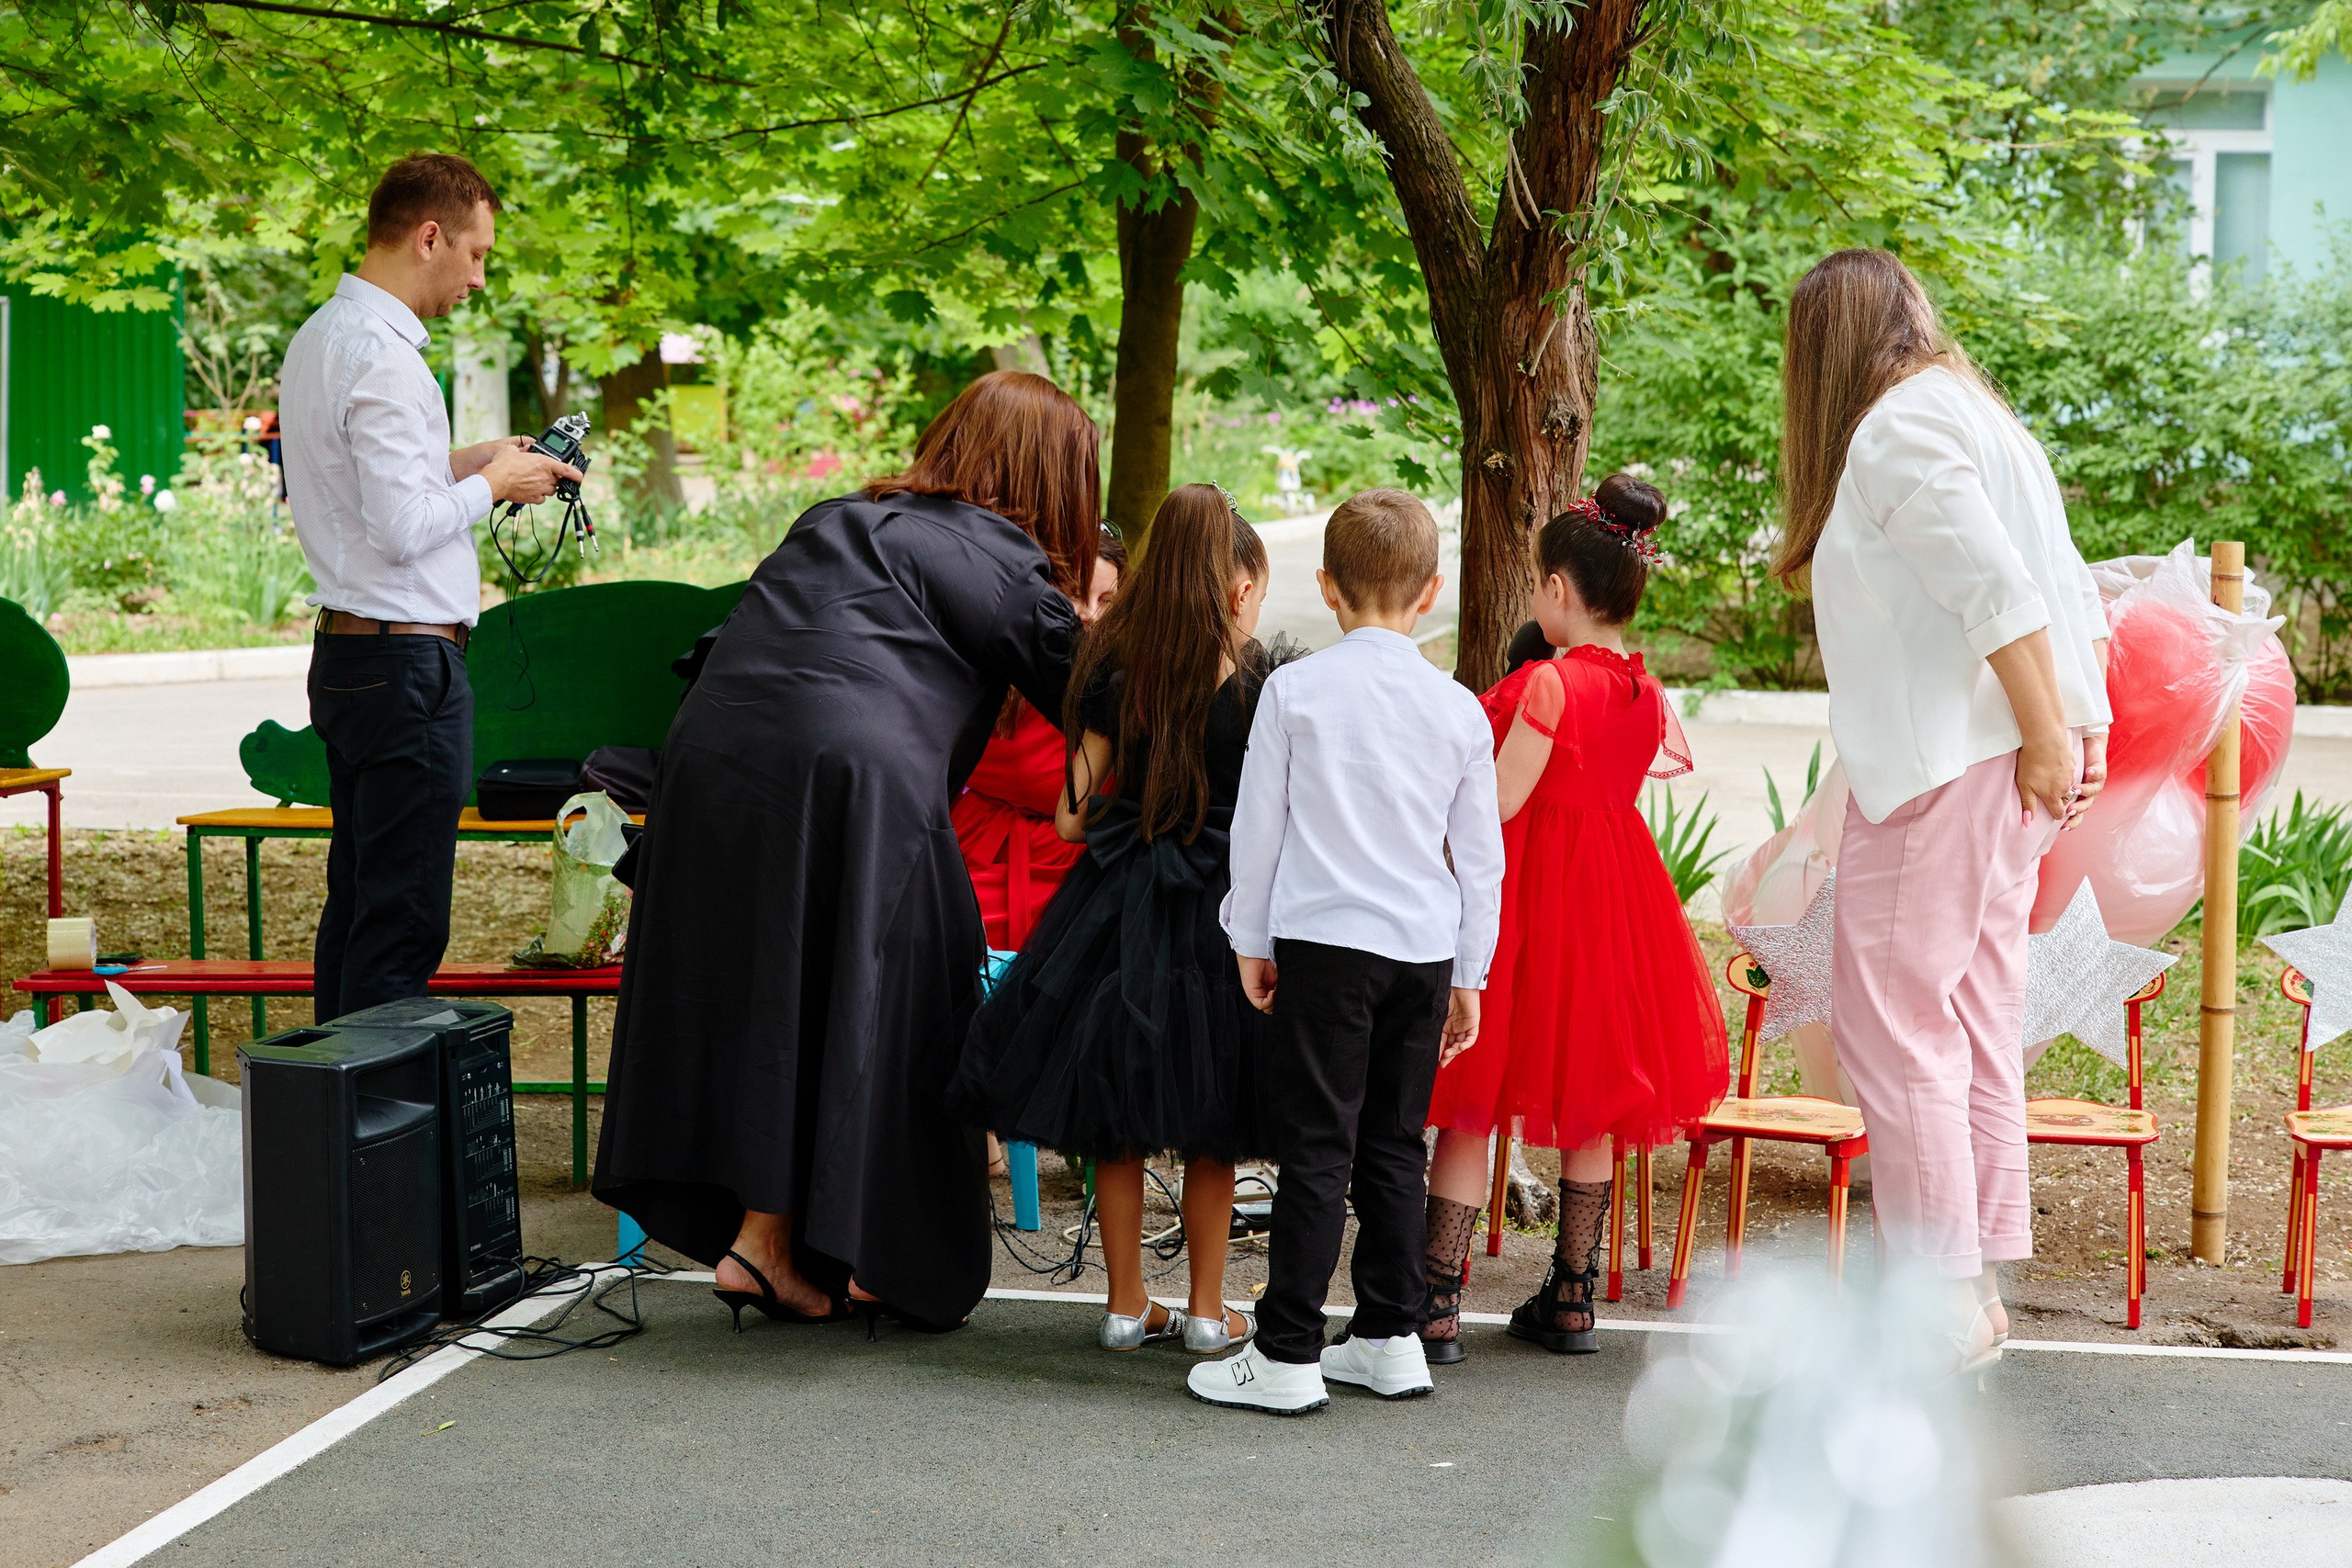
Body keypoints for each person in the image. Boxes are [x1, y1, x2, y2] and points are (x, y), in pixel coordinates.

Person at [592, 371, 1096, 1334]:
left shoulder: (834, 519)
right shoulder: (1001, 559)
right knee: (918, 987)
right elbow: (1096, 691)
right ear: (1053, 478)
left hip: (710, 764)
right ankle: (882, 1258)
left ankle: (766, 1241)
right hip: (853, 773)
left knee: (780, 992)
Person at [1775, 250, 2110, 1371]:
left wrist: (2058, 731)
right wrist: (2080, 726)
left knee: (1895, 1024)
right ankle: (1974, 1292)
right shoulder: (1980, 414)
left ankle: (1937, 1301)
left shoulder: (1895, 429)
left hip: (1941, 771)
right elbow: (2065, 580)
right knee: (1970, 1017)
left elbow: (1998, 587)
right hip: (2004, 767)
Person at [1189, 489, 1506, 1415]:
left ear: (1326, 587)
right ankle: (1389, 1336)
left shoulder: (1293, 692)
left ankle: (1287, 1349)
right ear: (1432, 590)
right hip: (1422, 948)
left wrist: (1249, 939)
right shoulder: (1459, 709)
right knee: (1396, 1145)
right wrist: (1470, 971)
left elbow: (1258, 833)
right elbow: (1480, 858)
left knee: (1318, 1146)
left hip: (1324, 941)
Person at [954, 486, 1279, 1356]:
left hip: (1118, 906)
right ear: (1238, 584)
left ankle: (1125, 1306)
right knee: (1217, 1121)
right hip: (1223, 916)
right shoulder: (1260, 685)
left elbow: (1069, 817)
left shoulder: (1116, 674)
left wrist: (1129, 809)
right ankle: (1207, 1311)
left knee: (1116, 1114)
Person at [1419, 477, 1729, 1363]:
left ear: (1558, 589)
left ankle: (1435, 1303)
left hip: (1532, 900)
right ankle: (1570, 1296)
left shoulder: (1550, 683)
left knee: (1472, 1098)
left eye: (1535, 582)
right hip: (1613, 908)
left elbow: (1500, 802)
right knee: (1592, 1100)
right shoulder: (1645, 691)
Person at [277, 152, 580, 1021]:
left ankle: (335, 1095)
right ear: (430, 236)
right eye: (476, 255)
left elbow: (370, 488)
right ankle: (376, 1102)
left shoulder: (322, 337)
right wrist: (497, 485)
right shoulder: (384, 357)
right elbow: (405, 527)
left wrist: (471, 461)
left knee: (359, 907)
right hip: (407, 671)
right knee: (403, 921)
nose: (478, 279)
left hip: (352, 658)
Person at [953, 533, 1125, 955]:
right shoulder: (1000, 668)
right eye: (1074, 596)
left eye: (1107, 600)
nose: (1089, 614)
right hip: (984, 844)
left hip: (1080, 855)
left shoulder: (1130, 678)